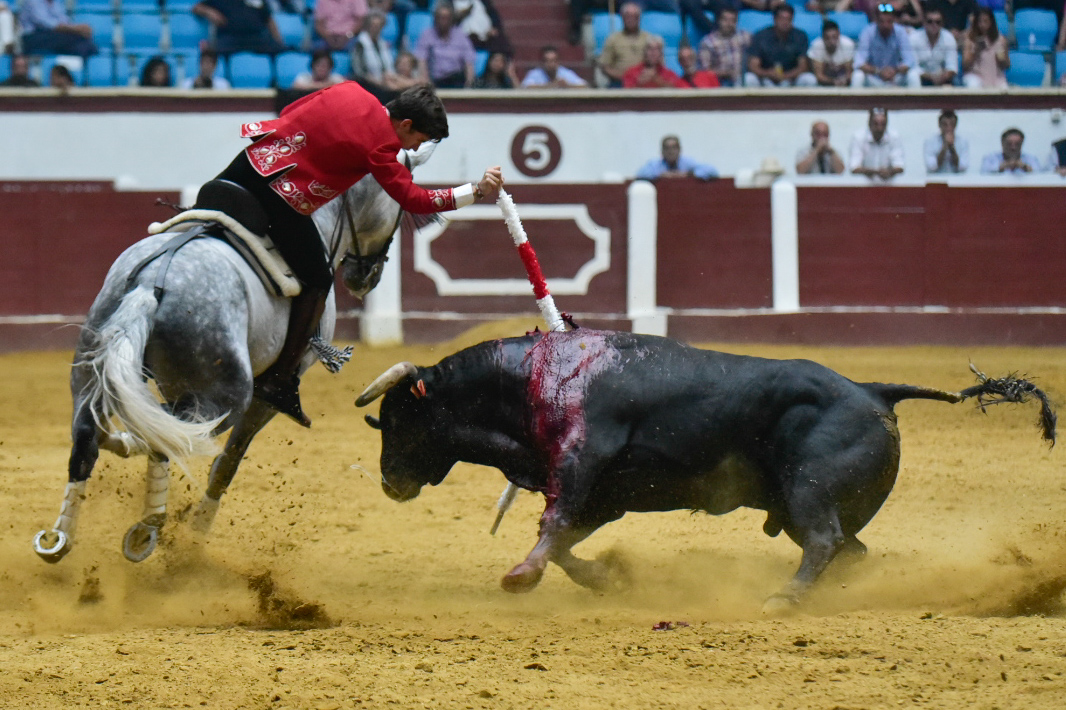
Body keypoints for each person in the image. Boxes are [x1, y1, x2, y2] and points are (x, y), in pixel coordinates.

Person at [211, 83, 503, 426]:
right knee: (319, 279)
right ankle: (279, 380)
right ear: (406, 124)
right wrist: (476, 190)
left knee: (200, 217)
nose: (413, 147)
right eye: (418, 140)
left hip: (249, 163)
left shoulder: (351, 90)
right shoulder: (379, 148)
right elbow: (414, 200)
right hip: (280, 197)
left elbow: (294, 110)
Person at [744, 5, 817, 88]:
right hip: (766, 78)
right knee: (748, 79)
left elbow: (803, 66)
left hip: (791, 78)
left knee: (809, 79)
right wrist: (768, 73)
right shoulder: (761, 36)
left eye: (788, 19)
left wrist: (785, 76)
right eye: (782, 19)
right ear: (774, 19)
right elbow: (753, 66)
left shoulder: (800, 36)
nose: (785, 22)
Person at [852, 4, 920, 88]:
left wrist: (895, 71)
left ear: (894, 20)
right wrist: (878, 71)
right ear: (876, 20)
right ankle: (855, 101)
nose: (885, 25)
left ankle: (917, 101)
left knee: (913, 75)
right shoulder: (867, 32)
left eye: (889, 21)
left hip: (895, 77)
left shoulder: (900, 32)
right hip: (874, 77)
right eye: (882, 21)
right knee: (858, 75)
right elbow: (859, 62)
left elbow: (909, 61)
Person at [413, 1, 477, 89]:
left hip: (456, 80)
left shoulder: (461, 36)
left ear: (451, 19)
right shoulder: (427, 35)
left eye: (446, 18)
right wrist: (427, 85)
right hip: (436, 80)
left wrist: (469, 85)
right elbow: (422, 61)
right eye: (441, 18)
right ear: (435, 19)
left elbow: (469, 62)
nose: (443, 21)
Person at [598, 2, 660, 88]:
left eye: (634, 16)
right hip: (619, 83)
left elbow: (658, 63)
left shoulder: (648, 38)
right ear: (622, 17)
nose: (631, 19)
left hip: (644, 82)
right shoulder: (612, 39)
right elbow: (605, 67)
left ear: (639, 18)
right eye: (627, 16)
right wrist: (626, 77)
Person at [193, 0, 286, 55]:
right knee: (212, 53)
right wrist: (209, 12)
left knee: (282, 51)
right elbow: (196, 7)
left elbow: (269, 20)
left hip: (256, 38)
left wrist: (279, 41)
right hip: (230, 38)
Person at [18, 0, 98, 57]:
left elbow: (64, 21)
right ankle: (87, 47)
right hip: (33, 37)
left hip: (54, 36)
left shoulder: (56, 2)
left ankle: (85, 47)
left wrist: (79, 29)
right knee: (73, 38)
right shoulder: (33, 1)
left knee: (78, 38)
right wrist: (77, 29)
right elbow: (46, 24)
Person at [698, 8, 750, 87]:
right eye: (725, 20)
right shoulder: (708, 42)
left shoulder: (745, 37)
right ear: (719, 21)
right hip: (720, 82)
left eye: (733, 20)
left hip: (743, 79)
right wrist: (725, 73)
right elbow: (705, 71)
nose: (729, 23)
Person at [849, 107, 905, 181]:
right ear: (869, 123)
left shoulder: (894, 137)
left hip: (888, 185)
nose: (879, 128)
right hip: (864, 185)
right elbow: (854, 168)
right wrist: (875, 172)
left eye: (883, 124)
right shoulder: (858, 137)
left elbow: (900, 166)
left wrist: (890, 172)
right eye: (876, 124)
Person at [961, 8, 1008, 89]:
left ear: (991, 22)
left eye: (985, 21)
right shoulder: (970, 39)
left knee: (1004, 88)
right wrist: (975, 51)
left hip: (996, 77)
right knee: (973, 85)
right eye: (979, 22)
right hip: (976, 76)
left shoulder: (1000, 39)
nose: (982, 25)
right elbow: (965, 66)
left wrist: (1001, 58)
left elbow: (1006, 65)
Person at [636, 135, 718, 181]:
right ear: (662, 151)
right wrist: (660, 174)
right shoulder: (656, 164)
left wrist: (689, 174)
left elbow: (712, 171)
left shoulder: (687, 162)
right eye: (667, 148)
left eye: (674, 148)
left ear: (679, 150)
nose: (670, 152)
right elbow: (640, 174)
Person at [910, 9, 958, 87]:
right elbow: (913, 65)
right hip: (921, 78)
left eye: (938, 22)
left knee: (953, 83)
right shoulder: (914, 37)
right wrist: (930, 77)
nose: (934, 25)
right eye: (930, 21)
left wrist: (943, 76)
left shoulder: (949, 38)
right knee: (912, 75)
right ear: (924, 23)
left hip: (942, 79)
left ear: (942, 23)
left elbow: (952, 66)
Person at [351, 9, 395, 88]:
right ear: (368, 26)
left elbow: (388, 67)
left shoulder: (383, 43)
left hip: (385, 82)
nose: (376, 28)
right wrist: (379, 83)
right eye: (374, 25)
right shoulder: (360, 44)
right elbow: (360, 72)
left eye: (379, 26)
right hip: (368, 84)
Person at [808, 19, 855, 88]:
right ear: (823, 37)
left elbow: (849, 72)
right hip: (824, 82)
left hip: (843, 79)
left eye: (834, 37)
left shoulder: (847, 44)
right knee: (809, 79)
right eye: (828, 38)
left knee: (857, 75)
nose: (831, 41)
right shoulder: (817, 46)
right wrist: (833, 82)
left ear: (839, 35)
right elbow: (819, 75)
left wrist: (844, 80)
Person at [520, 45, 588, 88]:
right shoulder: (535, 73)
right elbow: (526, 87)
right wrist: (551, 85)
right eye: (547, 61)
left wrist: (567, 85)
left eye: (553, 61)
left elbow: (584, 85)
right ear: (542, 63)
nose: (551, 64)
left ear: (558, 62)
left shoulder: (565, 73)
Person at [923, 109, 969, 173]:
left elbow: (963, 167)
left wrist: (952, 148)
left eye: (952, 124)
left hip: (957, 180)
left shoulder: (963, 142)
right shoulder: (930, 142)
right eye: (945, 125)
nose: (948, 128)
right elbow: (931, 167)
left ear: (955, 125)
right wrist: (945, 147)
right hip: (936, 180)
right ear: (939, 125)